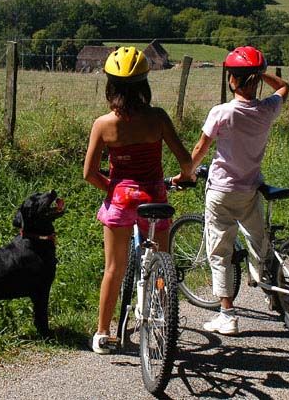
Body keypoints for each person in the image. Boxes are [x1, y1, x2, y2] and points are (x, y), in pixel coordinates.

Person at [83, 46, 194, 354]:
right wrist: (185, 177)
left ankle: (103, 333)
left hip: (121, 201)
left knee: (114, 269)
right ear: (145, 85)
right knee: (163, 262)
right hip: (155, 198)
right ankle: (162, 315)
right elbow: (186, 161)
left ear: (110, 86)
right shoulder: (157, 118)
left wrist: (113, 189)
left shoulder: (103, 125)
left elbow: (89, 173)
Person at [176, 45, 289, 335]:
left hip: (222, 191)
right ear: (256, 78)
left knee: (220, 250)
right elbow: (284, 87)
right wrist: (262, 74)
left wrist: (185, 174)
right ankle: (270, 286)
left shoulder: (222, 113)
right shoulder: (266, 110)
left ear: (231, 80)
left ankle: (227, 315)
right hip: (250, 188)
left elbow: (201, 148)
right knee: (257, 241)